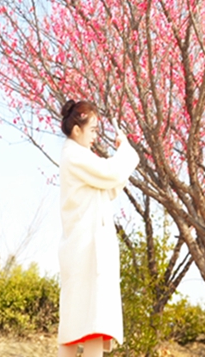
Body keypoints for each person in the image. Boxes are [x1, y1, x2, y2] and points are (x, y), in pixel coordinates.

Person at [57, 100, 139, 357]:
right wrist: (125, 150)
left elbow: (109, 184)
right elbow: (112, 174)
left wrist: (120, 160)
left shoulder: (78, 157)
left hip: (87, 247)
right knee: (86, 321)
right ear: (77, 130)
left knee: (87, 322)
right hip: (85, 248)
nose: (95, 136)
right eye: (92, 129)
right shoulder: (75, 155)